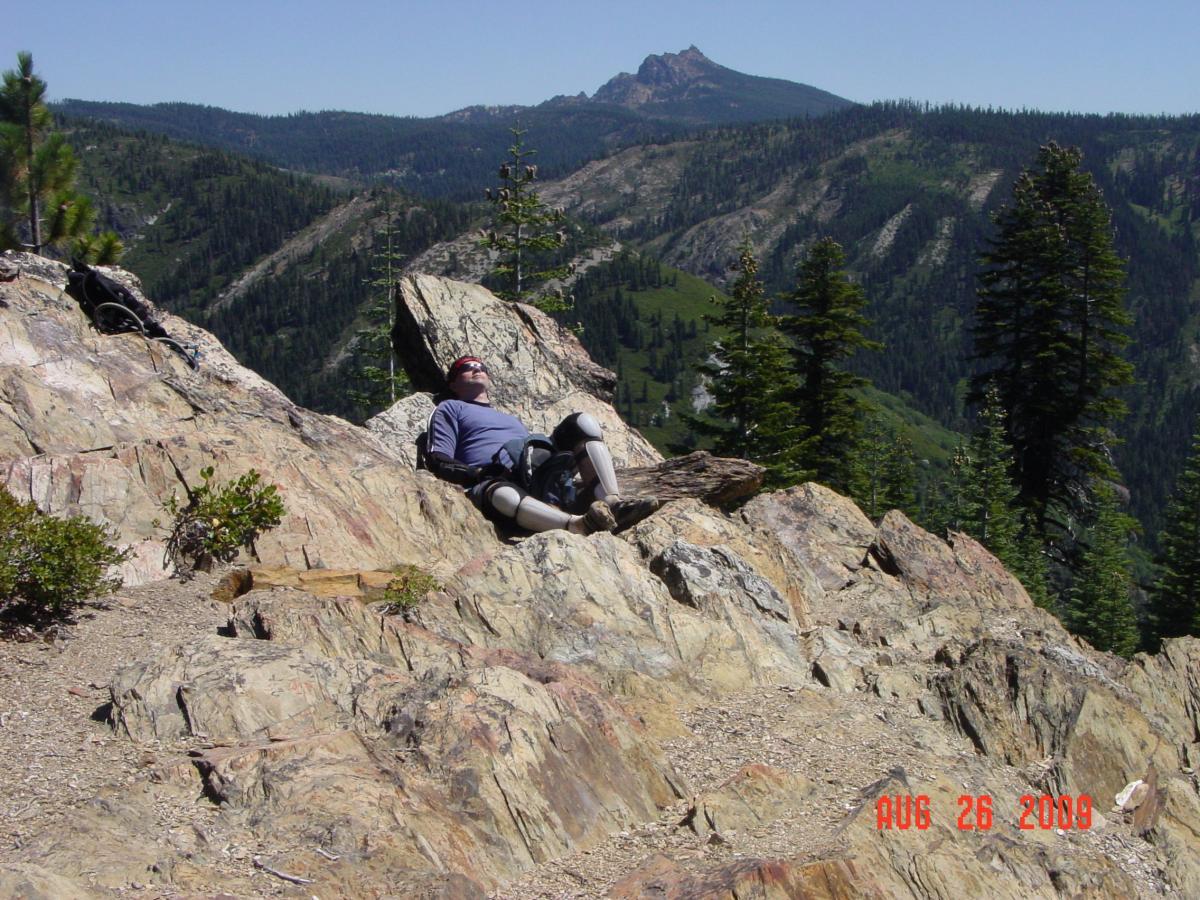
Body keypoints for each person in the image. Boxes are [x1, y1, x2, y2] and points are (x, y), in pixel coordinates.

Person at [425, 355, 659, 535]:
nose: (476, 369)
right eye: (466, 367)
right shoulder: (450, 408)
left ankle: (612, 505)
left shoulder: (510, 418)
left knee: (582, 423)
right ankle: (578, 526)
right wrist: (477, 473)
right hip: (492, 481)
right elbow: (438, 459)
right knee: (503, 494)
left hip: (532, 469)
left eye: (481, 367)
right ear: (453, 383)